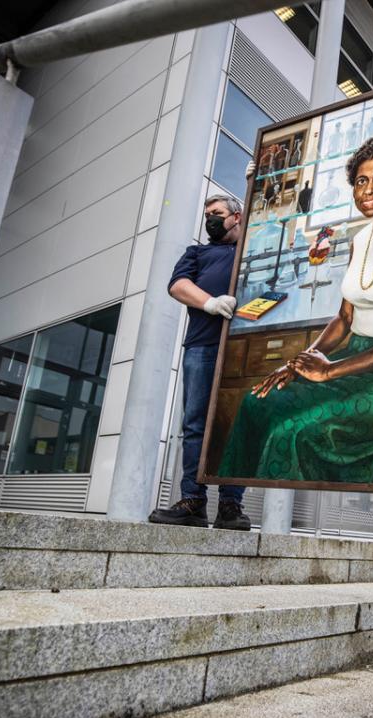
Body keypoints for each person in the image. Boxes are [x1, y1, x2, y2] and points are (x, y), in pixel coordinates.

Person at [218, 135, 373, 483]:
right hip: (358, 361)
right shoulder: (361, 238)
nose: (369, 189)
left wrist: (329, 371)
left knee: (293, 429)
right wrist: (297, 363)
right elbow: (345, 318)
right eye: (361, 181)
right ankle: (232, 503)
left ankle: (284, 522)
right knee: (256, 401)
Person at [147, 194, 250, 530]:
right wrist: (209, 303)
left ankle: (231, 506)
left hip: (242, 347)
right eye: (207, 214)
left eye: (217, 213)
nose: (210, 219)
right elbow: (177, 285)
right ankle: (193, 501)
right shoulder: (197, 253)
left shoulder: (250, 246)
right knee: (195, 425)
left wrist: (254, 182)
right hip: (202, 347)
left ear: (236, 216)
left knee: (237, 427)